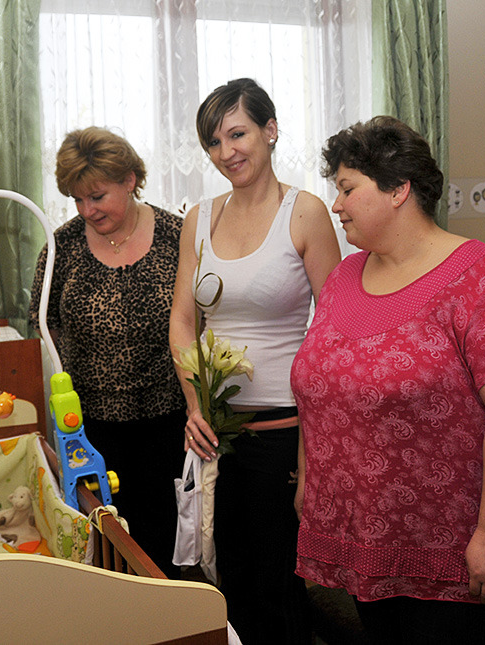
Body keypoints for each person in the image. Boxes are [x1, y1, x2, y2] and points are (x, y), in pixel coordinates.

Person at [291, 116, 485, 644]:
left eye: (347, 189)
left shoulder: (478, 274)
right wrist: (307, 483)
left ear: (397, 190)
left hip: (448, 552)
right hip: (363, 547)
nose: (335, 205)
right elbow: (316, 389)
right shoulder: (344, 277)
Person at [169, 78, 341, 643]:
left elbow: (333, 329)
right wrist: (196, 403)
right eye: (213, 143)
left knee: (279, 583)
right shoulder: (200, 218)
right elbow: (183, 322)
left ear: (270, 131)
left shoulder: (305, 212)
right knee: (227, 577)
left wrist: (313, 450)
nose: (227, 152)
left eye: (237, 134)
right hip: (215, 433)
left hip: (284, 430)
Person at [29, 127, 186, 577]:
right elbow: (43, 325)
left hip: (169, 417)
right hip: (90, 428)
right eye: (78, 200)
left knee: (165, 534)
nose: (87, 210)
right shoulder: (61, 248)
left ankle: (170, 609)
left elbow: (201, 319)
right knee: (104, 538)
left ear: (130, 179)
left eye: (97, 196)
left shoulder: (176, 237)